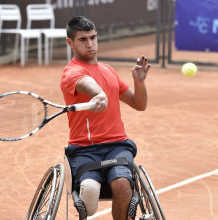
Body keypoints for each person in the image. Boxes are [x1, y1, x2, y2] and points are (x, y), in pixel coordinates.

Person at [61, 16, 150, 220]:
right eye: (83, 39)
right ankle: (88, 196)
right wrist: (99, 94)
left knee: (122, 184)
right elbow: (86, 83)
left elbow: (139, 104)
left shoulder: (108, 70)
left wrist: (139, 82)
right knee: (90, 189)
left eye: (93, 37)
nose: (90, 44)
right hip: (84, 149)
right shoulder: (72, 72)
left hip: (118, 145)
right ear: (70, 43)